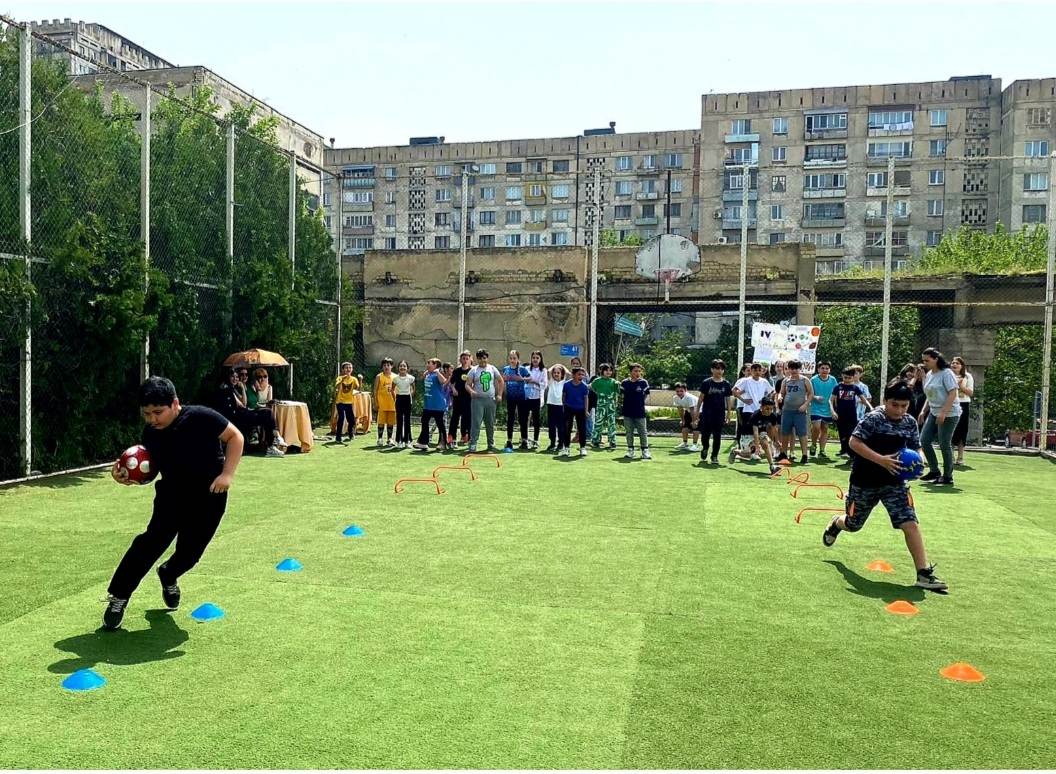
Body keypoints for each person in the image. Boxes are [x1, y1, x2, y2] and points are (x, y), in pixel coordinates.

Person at [103, 377, 244, 630]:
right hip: (172, 495)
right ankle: (119, 597)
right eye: (147, 414)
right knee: (150, 543)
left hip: (210, 495)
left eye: (158, 412)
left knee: (191, 552)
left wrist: (227, 475)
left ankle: (169, 574)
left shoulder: (202, 417)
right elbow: (150, 468)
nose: (152, 419)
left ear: (175, 403)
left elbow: (235, 437)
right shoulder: (151, 434)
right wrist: (126, 477)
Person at [822, 380, 948, 591]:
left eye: (904, 406)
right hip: (865, 481)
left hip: (895, 483)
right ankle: (837, 523)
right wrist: (881, 460)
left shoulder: (908, 422)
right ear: (885, 401)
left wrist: (919, 461)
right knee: (854, 524)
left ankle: (923, 574)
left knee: (910, 523)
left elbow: (916, 446)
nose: (899, 410)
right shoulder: (873, 419)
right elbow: (854, 442)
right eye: (894, 405)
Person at [919, 347, 960, 485]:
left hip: (949, 413)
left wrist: (944, 413)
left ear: (936, 359)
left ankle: (948, 476)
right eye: (923, 360)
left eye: (927, 360)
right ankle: (934, 471)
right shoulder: (930, 374)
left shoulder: (947, 373)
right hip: (933, 411)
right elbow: (930, 395)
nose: (925, 363)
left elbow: (952, 393)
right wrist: (923, 411)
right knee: (924, 440)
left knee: (944, 443)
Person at [218, 368, 281, 456]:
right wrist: (243, 389)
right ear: (228, 377)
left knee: (267, 412)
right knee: (267, 413)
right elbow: (242, 404)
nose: (235, 379)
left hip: (243, 413)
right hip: (239, 417)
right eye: (233, 377)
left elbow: (243, 403)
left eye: (236, 377)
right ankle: (273, 441)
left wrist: (242, 388)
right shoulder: (226, 389)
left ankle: (274, 439)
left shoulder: (233, 388)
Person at [693, 359, 733, 465]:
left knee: (717, 436)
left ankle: (714, 456)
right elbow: (701, 398)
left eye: (721, 368)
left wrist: (729, 413)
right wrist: (697, 412)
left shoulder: (726, 384)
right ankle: (705, 448)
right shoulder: (706, 383)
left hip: (719, 414)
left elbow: (728, 400)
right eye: (717, 368)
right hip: (707, 414)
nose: (719, 371)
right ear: (712, 369)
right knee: (705, 435)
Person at [732, 363, 775, 460]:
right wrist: (744, 400)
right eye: (755, 370)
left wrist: (766, 400)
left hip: (761, 413)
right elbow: (734, 391)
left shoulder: (764, 381)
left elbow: (772, 392)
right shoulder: (746, 381)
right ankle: (741, 451)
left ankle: (757, 452)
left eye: (759, 370)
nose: (757, 372)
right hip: (749, 412)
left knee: (762, 436)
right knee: (750, 436)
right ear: (751, 371)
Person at [728, 397, 780, 474]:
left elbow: (774, 429)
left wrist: (777, 441)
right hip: (748, 434)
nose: (769, 411)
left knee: (766, 445)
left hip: (761, 432)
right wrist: (757, 446)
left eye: (771, 409)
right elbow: (755, 432)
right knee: (750, 453)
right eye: (767, 409)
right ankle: (735, 451)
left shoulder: (772, 416)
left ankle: (772, 467)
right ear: (761, 407)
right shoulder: (755, 415)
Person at [466, 349, 504, 453]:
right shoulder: (474, 370)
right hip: (477, 401)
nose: (483, 360)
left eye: (484, 358)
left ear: (487, 358)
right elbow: (467, 385)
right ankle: (473, 444)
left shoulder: (492, 368)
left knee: (490, 423)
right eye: (480, 358)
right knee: (476, 423)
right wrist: (471, 392)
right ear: (477, 359)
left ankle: (491, 444)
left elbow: (501, 381)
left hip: (490, 400)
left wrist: (499, 394)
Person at [776, 360, 813, 464]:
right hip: (787, 410)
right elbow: (781, 392)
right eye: (791, 368)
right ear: (788, 369)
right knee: (785, 432)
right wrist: (780, 397)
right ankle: (783, 454)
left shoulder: (804, 380)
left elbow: (811, 394)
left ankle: (805, 455)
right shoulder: (786, 381)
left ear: (799, 369)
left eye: (796, 368)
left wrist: (805, 405)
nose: (794, 370)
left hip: (799, 411)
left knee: (802, 433)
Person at [831, 367, 872, 457]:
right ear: (842, 376)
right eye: (845, 377)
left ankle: (851, 453)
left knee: (851, 433)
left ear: (853, 377)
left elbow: (864, 399)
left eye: (849, 378)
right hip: (840, 415)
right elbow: (830, 400)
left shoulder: (855, 388)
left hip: (852, 415)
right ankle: (844, 450)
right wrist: (833, 411)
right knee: (842, 434)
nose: (847, 380)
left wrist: (871, 407)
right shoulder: (838, 387)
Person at [413, 358, 449, 451]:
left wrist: (437, 372)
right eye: (427, 363)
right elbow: (422, 379)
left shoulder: (437, 374)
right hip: (428, 404)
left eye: (430, 363)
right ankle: (423, 443)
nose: (427, 365)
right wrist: (425, 374)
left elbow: (444, 382)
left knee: (440, 424)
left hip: (438, 404)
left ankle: (443, 443)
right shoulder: (428, 374)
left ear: (435, 365)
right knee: (424, 421)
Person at [501, 350, 531, 451]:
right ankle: (509, 441)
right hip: (510, 398)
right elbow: (502, 379)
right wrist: (504, 379)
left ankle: (524, 441)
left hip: (521, 398)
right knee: (510, 419)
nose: (512, 360)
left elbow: (530, 378)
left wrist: (521, 379)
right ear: (508, 359)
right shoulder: (506, 369)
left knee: (523, 419)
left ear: (518, 359)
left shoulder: (522, 369)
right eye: (511, 358)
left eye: (514, 358)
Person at [621, 363, 651, 460]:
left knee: (643, 432)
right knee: (629, 432)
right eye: (635, 371)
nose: (638, 373)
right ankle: (630, 450)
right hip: (627, 411)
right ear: (630, 372)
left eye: (639, 371)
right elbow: (622, 395)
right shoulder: (624, 383)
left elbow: (646, 395)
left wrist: (639, 403)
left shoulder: (643, 383)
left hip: (640, 412)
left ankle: (645, 451)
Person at [810, 361, 837, 457]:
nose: (824, 370)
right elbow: (809, 393)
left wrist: (834, 408)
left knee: (825, 428)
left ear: (829, 370)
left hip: (828, 408)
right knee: (816, 427)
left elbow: (835, 394)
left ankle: (822, 450)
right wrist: (815, 397)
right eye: (822, 368)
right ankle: (813, 444)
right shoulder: (813, 379)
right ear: (818, 369)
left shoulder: (833, 380)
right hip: (815, 407)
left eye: (827, 368)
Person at [562, 366, 590, 457]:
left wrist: (586, 411)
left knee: (582, 429)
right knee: (567, 428)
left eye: (582, 374)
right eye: (579, 374)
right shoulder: (566, 385)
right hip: (569, 409)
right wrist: (565, 406)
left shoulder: (584, 387)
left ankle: (582, 448)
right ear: (573, 375)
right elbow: (564, 396)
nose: (581, 376)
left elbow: (586, 399)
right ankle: (566, 448)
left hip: (581, 409)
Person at [951, 357, 974, 465]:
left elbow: (970, 393)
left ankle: (960, 457)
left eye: (957, 363)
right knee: (950, 430)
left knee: (962, 431)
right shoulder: (948, 375)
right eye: (953, 363)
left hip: (963, 404)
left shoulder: (968, 376)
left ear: (962, 366)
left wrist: (961, 386)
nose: (954, 365)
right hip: (950, 404)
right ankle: (949, 456)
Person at [590, 363, 619, 449]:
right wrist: (598, 393)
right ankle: (595, 440)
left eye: (610, 370)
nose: (608, 372)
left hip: (611, 404)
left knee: (611, 423)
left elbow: (617, 392)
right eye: (606, 370)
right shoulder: (597, 381)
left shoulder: (614, 382)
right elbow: (591, 387)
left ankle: (612, 441)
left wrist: (617, 385)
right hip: (601, 404)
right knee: (599, 422)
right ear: (601, 371)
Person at [448, 351, 474, 447]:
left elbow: (475, 382)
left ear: (470, 359)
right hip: (458, 398)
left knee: (467, 418)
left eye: (467, 358)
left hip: (468, 398)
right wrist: (454, 390)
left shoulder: (473, 370)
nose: (465, 360)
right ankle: (451, 439)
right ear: (460, 359)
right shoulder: (457, 371)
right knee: (455, 418)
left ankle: (467, 438)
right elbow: (451, 383)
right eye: (463, 358)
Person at [524, 351, 548, 449]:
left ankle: (536, 440)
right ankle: (524, 439)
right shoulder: (526, 369)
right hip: (527, 396)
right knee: (525, 419)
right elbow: (523, 379)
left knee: (536, 420)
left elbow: (544, 384)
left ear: (540, 359)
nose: (535, 359)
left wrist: (534, 381)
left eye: (537, 358)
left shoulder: (543, 371)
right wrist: (526, 380)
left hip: (537, 397)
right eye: (533, 357)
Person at [334, 362, 359, 445]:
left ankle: (350, 433)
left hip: (349, 402)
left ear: (352, 369)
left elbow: (357, 387)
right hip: (340, 401)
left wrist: (361, 380)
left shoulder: (354, 379)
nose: (348, 369)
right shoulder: (340, 378)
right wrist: (342, 380)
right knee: (341, 418)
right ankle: (338, 436)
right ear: (343, 369)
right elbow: (336, 386)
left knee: (351, 420)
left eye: (350, 368)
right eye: (346, 368)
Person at [392, 360, 415, 449]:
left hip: (407, 399)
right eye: (401, 366)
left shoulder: (411, 378)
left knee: (407, 420)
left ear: (407, 368)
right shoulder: (395, 379)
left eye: (404, 366)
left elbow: (413, 389)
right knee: (399, 420)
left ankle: (408, 441)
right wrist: (395, 399)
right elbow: (392, 389)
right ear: (398, 368)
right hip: (399, 399)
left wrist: (410, 396)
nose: (402, 367)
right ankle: (399, 441)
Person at [373, 358, 396, 447]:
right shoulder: (379, 377)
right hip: (382, 403)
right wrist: (375, 402)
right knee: (381, 422)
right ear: (382, 367)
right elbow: (375, 390)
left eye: (388, 365)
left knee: (390, 422)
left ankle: (390, 439)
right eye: (384, 365)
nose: (386, 367)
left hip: (392, 403)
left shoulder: (395, 377)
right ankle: (380, 439)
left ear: (392, 366)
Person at [545, 363, 568, 453]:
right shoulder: (551, 382)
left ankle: (560, 443)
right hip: (551, 405)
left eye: (558, 373)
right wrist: (555, 365)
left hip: (560, 406)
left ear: (561, 374)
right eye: (555, 372)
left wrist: (561, 365)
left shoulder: (564, 382)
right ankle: (552, 442)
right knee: (551, 425)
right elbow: (548, 371)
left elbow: (567, 373)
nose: (556, 374)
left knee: (561, 426)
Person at [672, 383, 700, 452]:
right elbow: (680, 409)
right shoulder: (675, 398)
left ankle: (695, 445)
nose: (679, 393)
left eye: (681, 391)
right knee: (685, 427)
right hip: (688, 411)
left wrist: (694, 421)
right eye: (677, 391)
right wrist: (682, 420)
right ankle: (684, 443)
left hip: (699, 411)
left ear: (685, 390)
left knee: (695, 428)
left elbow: (692, 410)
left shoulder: (689, 397)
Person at [732, 364, 753, 449]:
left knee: (750, 426)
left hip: (752, 407)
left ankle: (750, 446)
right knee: (742, 426)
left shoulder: (755, 380)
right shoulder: (742, 380)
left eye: (751, 370)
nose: (750, 372)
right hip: (742, 406)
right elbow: (735, 393)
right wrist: (744, 399)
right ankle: (741, 446)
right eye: (748, 370)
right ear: (743, 371)